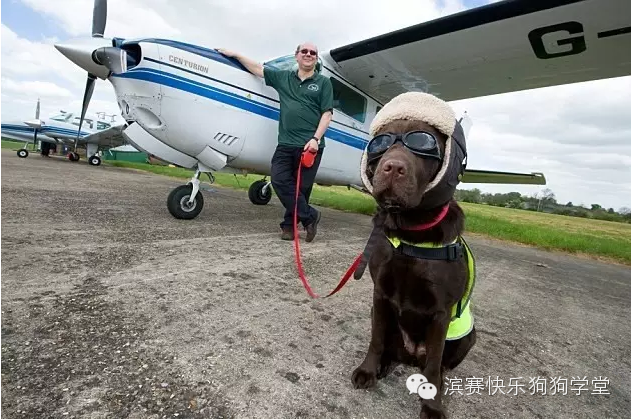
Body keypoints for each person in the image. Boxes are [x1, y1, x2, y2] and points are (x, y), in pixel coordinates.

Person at [217, 43, 334, 242]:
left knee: (302, 189)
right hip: (286, 143)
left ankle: (289, 227)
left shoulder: (323, 83)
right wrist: (236, 54)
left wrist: (316, 139)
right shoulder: (283, 78)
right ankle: (310, 216)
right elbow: (257, 69)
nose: (308, 54)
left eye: (312, 52)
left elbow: (327, 113)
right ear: (296, 56)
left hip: (311, 146)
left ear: (315, 58)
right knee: (279, 180)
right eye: (304, 51)